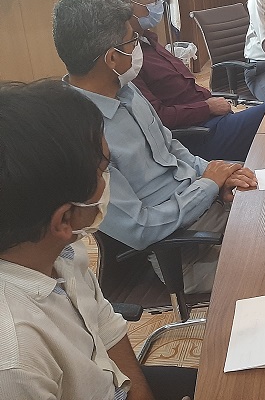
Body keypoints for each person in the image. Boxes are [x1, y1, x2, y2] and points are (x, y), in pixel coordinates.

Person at [0, 79, 198, 400]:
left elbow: (105, 326)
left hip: (111, 382)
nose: (109, 180)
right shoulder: (16, 359)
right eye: (104, 169)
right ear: (64, 219)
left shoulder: (60, 249)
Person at [53, 0, 258, 294]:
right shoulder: (79, 135)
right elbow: (140, 228)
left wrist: (218, 174)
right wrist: (208, 186)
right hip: (183, 254)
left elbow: (170, 146)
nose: (139, 48)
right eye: (132, 42)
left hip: (210, 210)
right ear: (112, 58)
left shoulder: (125, 90)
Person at [96, 0, 265, 162]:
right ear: (125, 3)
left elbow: (185, 89)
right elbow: (155, 117)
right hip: (199, 135)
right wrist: (207, 107)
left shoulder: (147, 40)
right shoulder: (126, 58)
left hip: (215, 119)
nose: (157, 2)